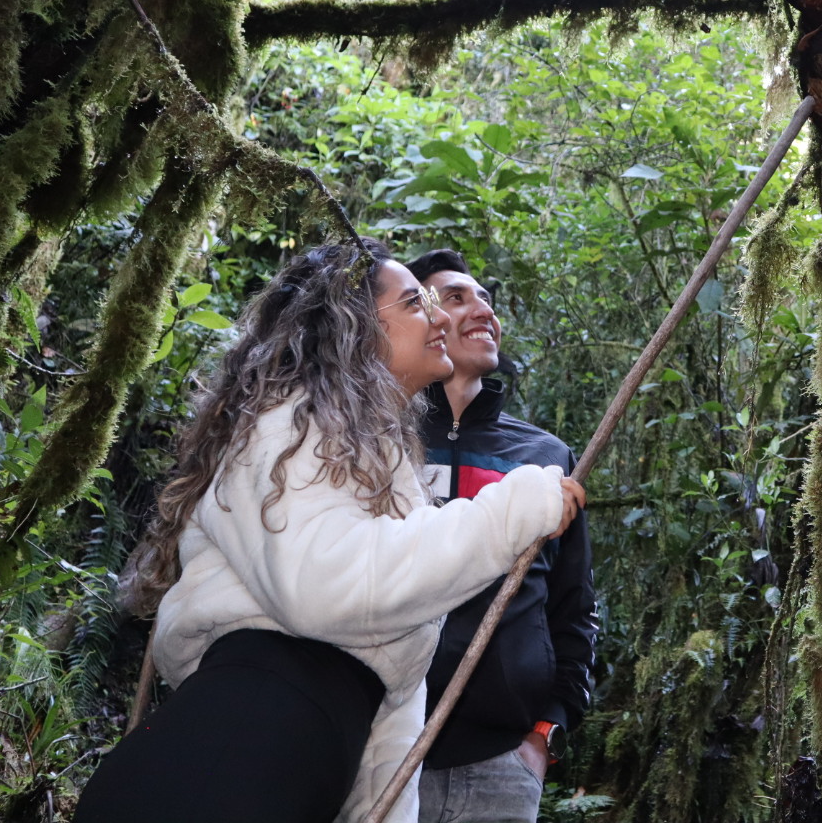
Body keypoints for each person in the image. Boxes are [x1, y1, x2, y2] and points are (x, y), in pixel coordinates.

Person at [75, 240, 586, 823]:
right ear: (353, 323)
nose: (441, 319)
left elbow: (389, 685)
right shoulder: (288, 421)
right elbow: (324, 586)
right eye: (416, 303)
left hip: (293, 767)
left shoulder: (376, 456)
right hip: (235, 749)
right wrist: (513, 511)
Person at [403, 249, 597, 823]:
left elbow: (574, 607)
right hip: (379, 747)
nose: (482, 309)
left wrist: (546, 733)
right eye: (455, 297)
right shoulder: (374, 441)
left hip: (502, 763)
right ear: (420, 322)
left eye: (485, 298)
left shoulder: (545, 457)